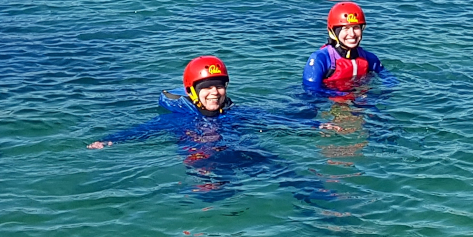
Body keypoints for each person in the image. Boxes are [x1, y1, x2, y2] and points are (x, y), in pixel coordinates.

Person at [88, 56, 335, 201]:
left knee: (281, 168)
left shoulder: (234, 113)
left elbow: (272, 120)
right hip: (203, 157)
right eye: (206, 87)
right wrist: (111, 140)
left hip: (236, 149)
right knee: (213, 190)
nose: (214, 93)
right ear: (191, 92)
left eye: (219, 86)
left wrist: (315, 125)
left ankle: (318, 200)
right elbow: (142, 130)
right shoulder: (179, 119)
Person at [302, 2, 388, 94]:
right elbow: (311, 92)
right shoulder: (320, 59)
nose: (352, 34)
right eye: (345, 28)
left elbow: (389, 79)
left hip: (357, 100)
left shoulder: (370, 59)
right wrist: (345, 97)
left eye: (356, 27)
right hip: (329, 101)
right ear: (333, 32)